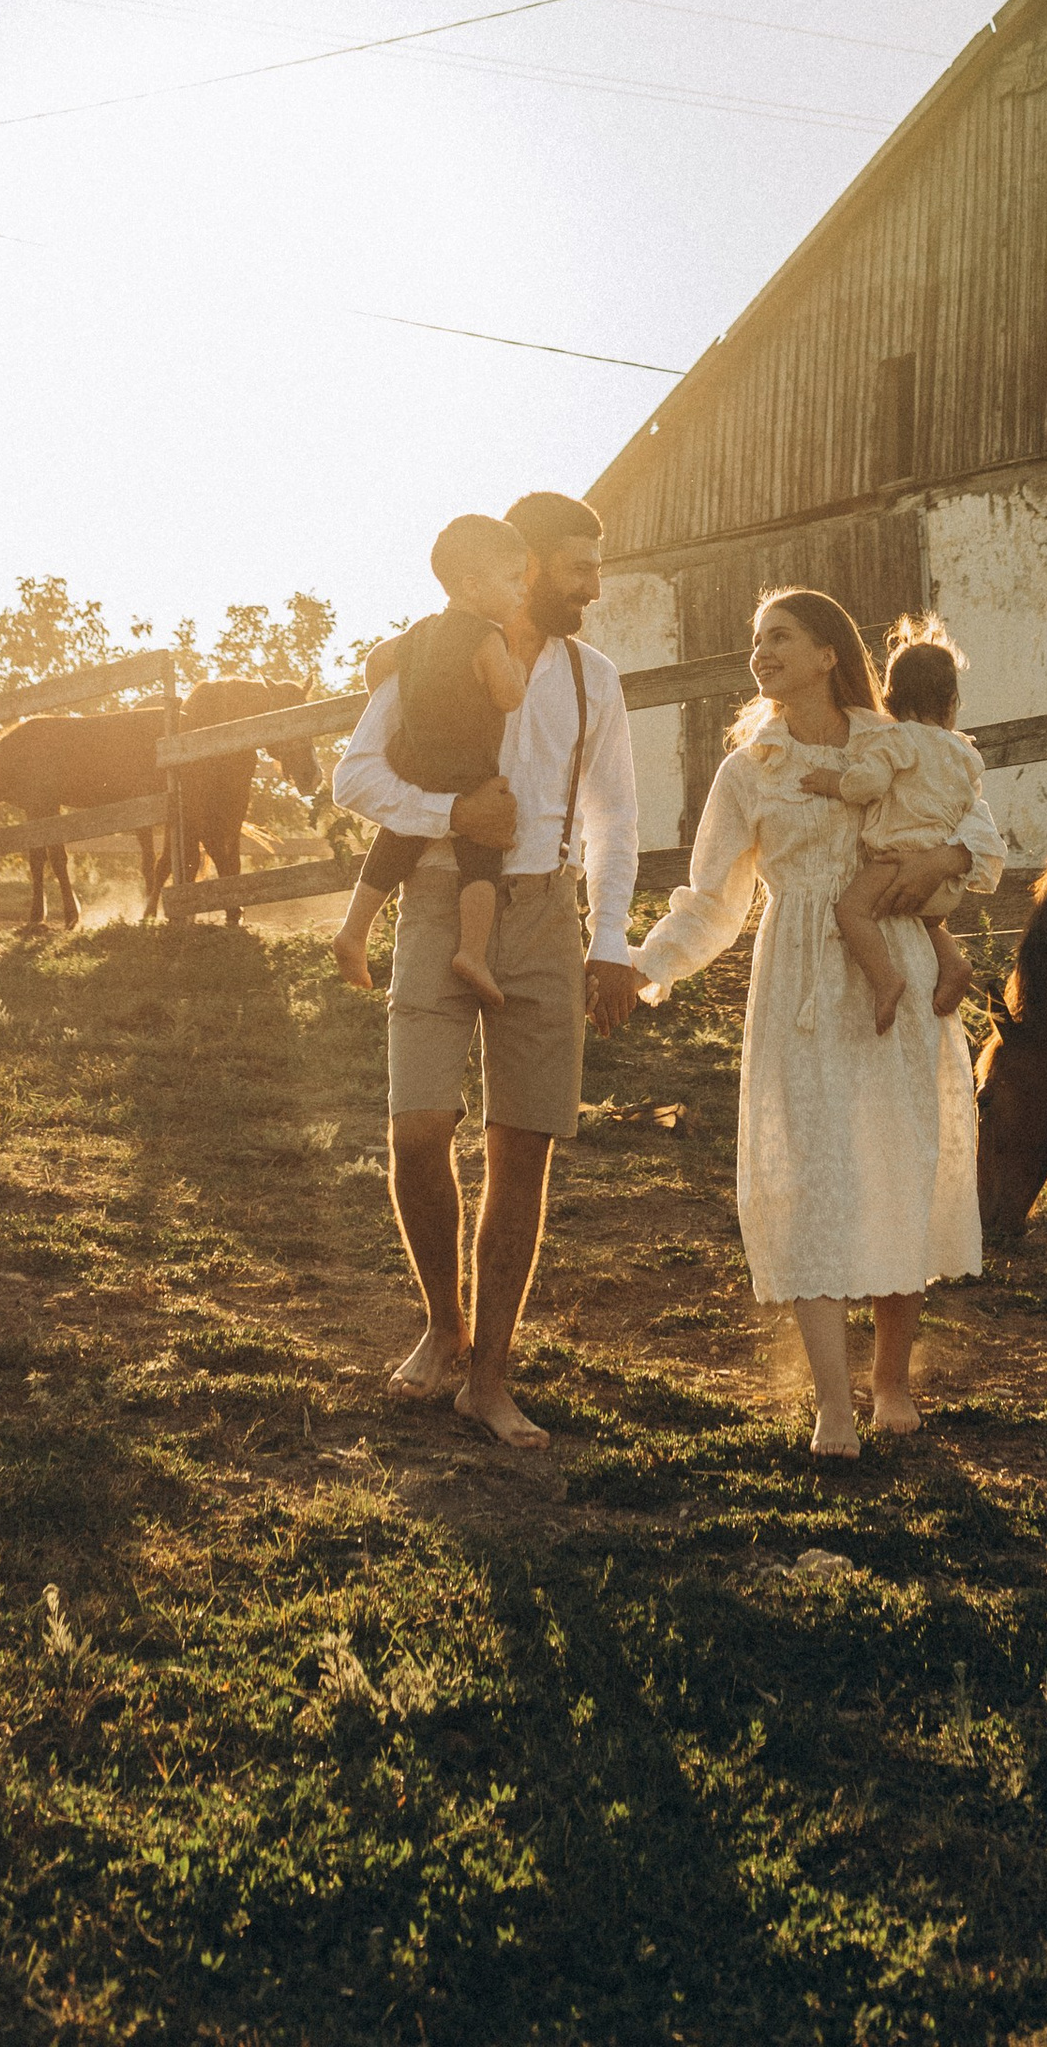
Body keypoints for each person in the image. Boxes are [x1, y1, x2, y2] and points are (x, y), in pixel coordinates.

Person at [633, 588, 1004, 1460]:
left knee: (900, 1166)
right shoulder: (748, 768)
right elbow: (712, 904)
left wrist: (941, 858)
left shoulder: (898, 742)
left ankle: (892, 1380)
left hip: (897, 972)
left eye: (781, 637)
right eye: (756, 640)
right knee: (810, 1180)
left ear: (828, 653)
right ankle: (833, 1403)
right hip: (799, 975)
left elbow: (982, 843)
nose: (760, 653)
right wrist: (643, 965)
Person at [332, 488, 643, 1450]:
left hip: (547, 916)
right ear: (529, 565)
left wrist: (608, 941)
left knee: (524, 1147)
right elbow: (356, 776)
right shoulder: (426, 652)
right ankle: (442, 1321)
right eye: (579, 567)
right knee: (419, 1127)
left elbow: (615, 818)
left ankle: (489, 1374)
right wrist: (450, 817)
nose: (594, 585)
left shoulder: (595, 679)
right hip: (437, 897)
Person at [331, 515, 533, 1006]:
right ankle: (472, 952)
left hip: (417, 763)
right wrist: (519, 669)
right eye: (512, 580)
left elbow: (377, 666)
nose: (521, 592)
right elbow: (507, 698)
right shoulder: (488, 637)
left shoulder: (419, 633)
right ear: (473, 585)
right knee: (481, 855)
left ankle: (354, 930)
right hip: (467, 770)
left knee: (398, 837)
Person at [797, 615, 984, 1033]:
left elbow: (868, 783)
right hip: (943, 879)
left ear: (891, 700)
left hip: (899, 861)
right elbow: (972, 804)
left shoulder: (896, 740)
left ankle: (885, 980)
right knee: (926, 918)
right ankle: (952, 962)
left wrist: (833, 782)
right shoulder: (963, 753)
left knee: (851, 910)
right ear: (951, 704)